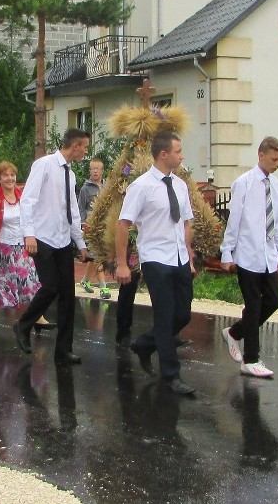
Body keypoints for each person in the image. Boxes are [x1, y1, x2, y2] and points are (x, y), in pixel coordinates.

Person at [115, 130, 197, 395]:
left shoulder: (180, 185)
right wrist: (122, 264)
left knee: (182, 314)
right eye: (178, 151)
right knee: (164, 315)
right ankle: (171, 375)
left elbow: (187, 221)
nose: (182, 156)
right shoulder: (141, 186)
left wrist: (189, 254)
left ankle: (145, 344)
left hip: (179, 258)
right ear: (164, 154)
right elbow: (123, 224)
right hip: (155, 258)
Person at [14, 128, 89, 365]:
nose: (86, 152)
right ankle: (23, 325)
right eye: (84, 147)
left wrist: (80, 243)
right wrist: (29, 234)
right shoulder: (44, 165)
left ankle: (64, 349)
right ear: (75, 146)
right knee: (51, 286)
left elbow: (73, 211)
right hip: (42, 237)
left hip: (63, 239)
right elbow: (27, 200)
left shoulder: (71, 174)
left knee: (68, 294)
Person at [219, 136, 278, 378]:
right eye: (274, 159)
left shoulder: (277, 185)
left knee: (273, 301)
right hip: (248, 255)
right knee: (254, 306)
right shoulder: (244, 183)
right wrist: (227, 253)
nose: (277, 164)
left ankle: (235, 332)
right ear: (261, 155)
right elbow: (234, 220)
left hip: (268, 256)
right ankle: (251, 359)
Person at [0, 161, 53, 331]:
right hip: (0, 247)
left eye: (12, 174)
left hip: (21, 246)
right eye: (5, 175)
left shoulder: (22, 195)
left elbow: (32, 217)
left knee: (30, 280)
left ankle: (38, 316)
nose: (10, 178)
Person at [78, 158, 111, 299]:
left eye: (98, 169)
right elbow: (80, 209)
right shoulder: (86, 189)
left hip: (104, 227)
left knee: (94, 257)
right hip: (91, 228)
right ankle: (103, 287)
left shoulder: (107, 187)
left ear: (102, 171)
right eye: (92, 169)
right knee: (98, 257)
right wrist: (82, 225)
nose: (95, 171)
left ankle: (85, 280)